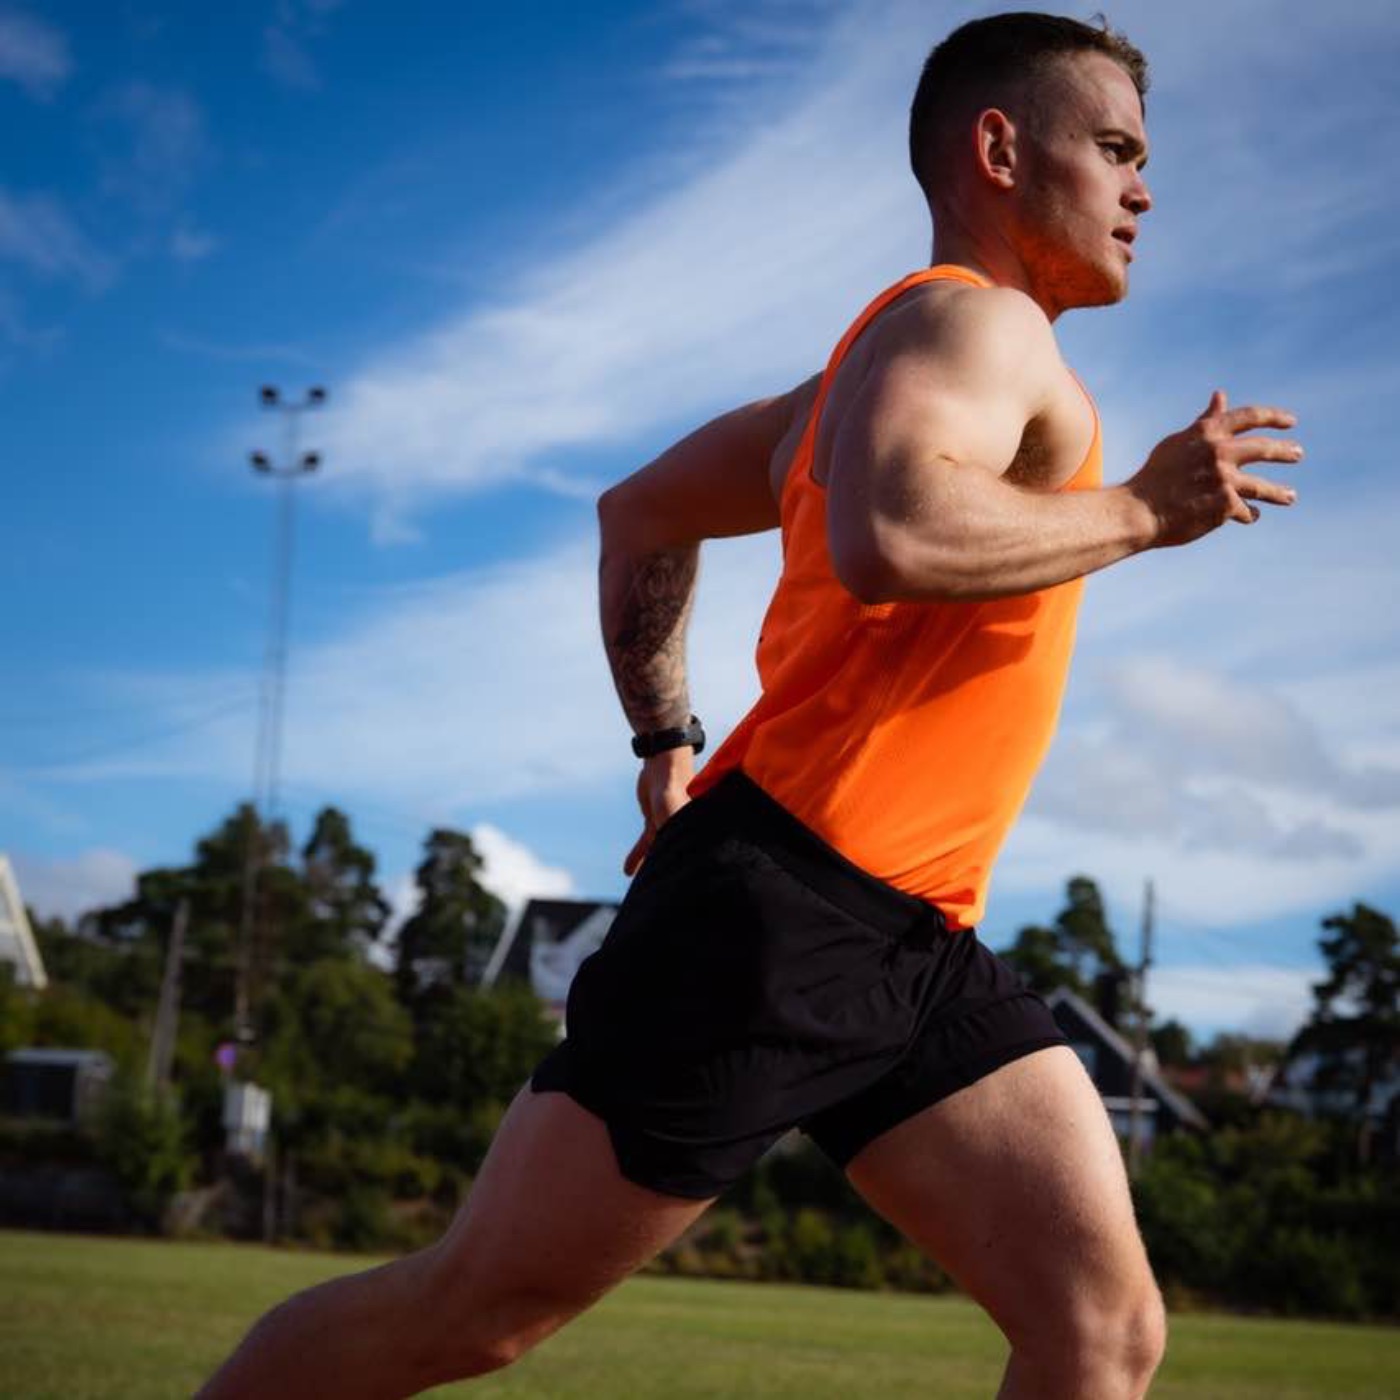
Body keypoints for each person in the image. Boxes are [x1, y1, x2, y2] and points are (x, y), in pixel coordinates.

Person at [199, 12, 1303, 1400]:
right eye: (1118, 149)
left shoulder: (847, 382)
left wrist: (665, 745)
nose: (1145, 189)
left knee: (1101, 1331)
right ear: (1000, 149)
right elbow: (892, 533)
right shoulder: (978, 321)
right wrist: (1140, 509)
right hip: (779, 917)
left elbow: (640, 513)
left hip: (911, 937)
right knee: (468, 1313)